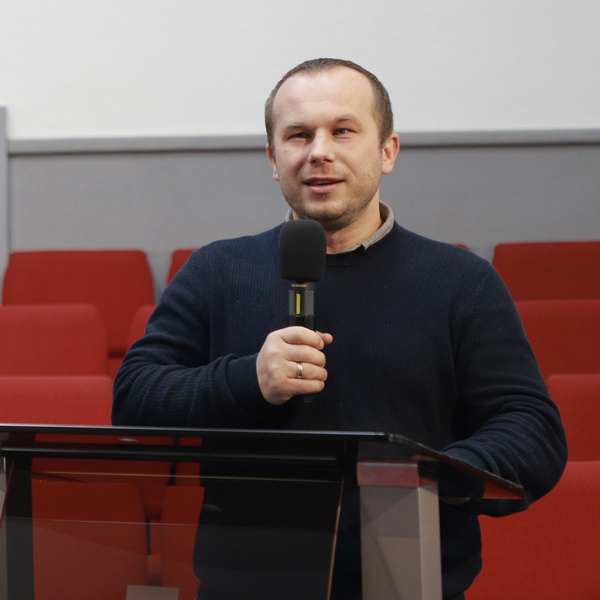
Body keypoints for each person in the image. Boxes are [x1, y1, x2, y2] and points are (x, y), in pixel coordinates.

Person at [113, 58, 567, 600]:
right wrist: (247, 380)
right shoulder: (215, 270)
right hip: (247, 585)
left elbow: (530, 426)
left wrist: (439, 476)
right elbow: (135, 400)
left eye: (343, 131)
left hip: (408, 581)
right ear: (273, 159)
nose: (319, 152)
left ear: (387, 151)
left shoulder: (461, 281)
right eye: (298, 135)